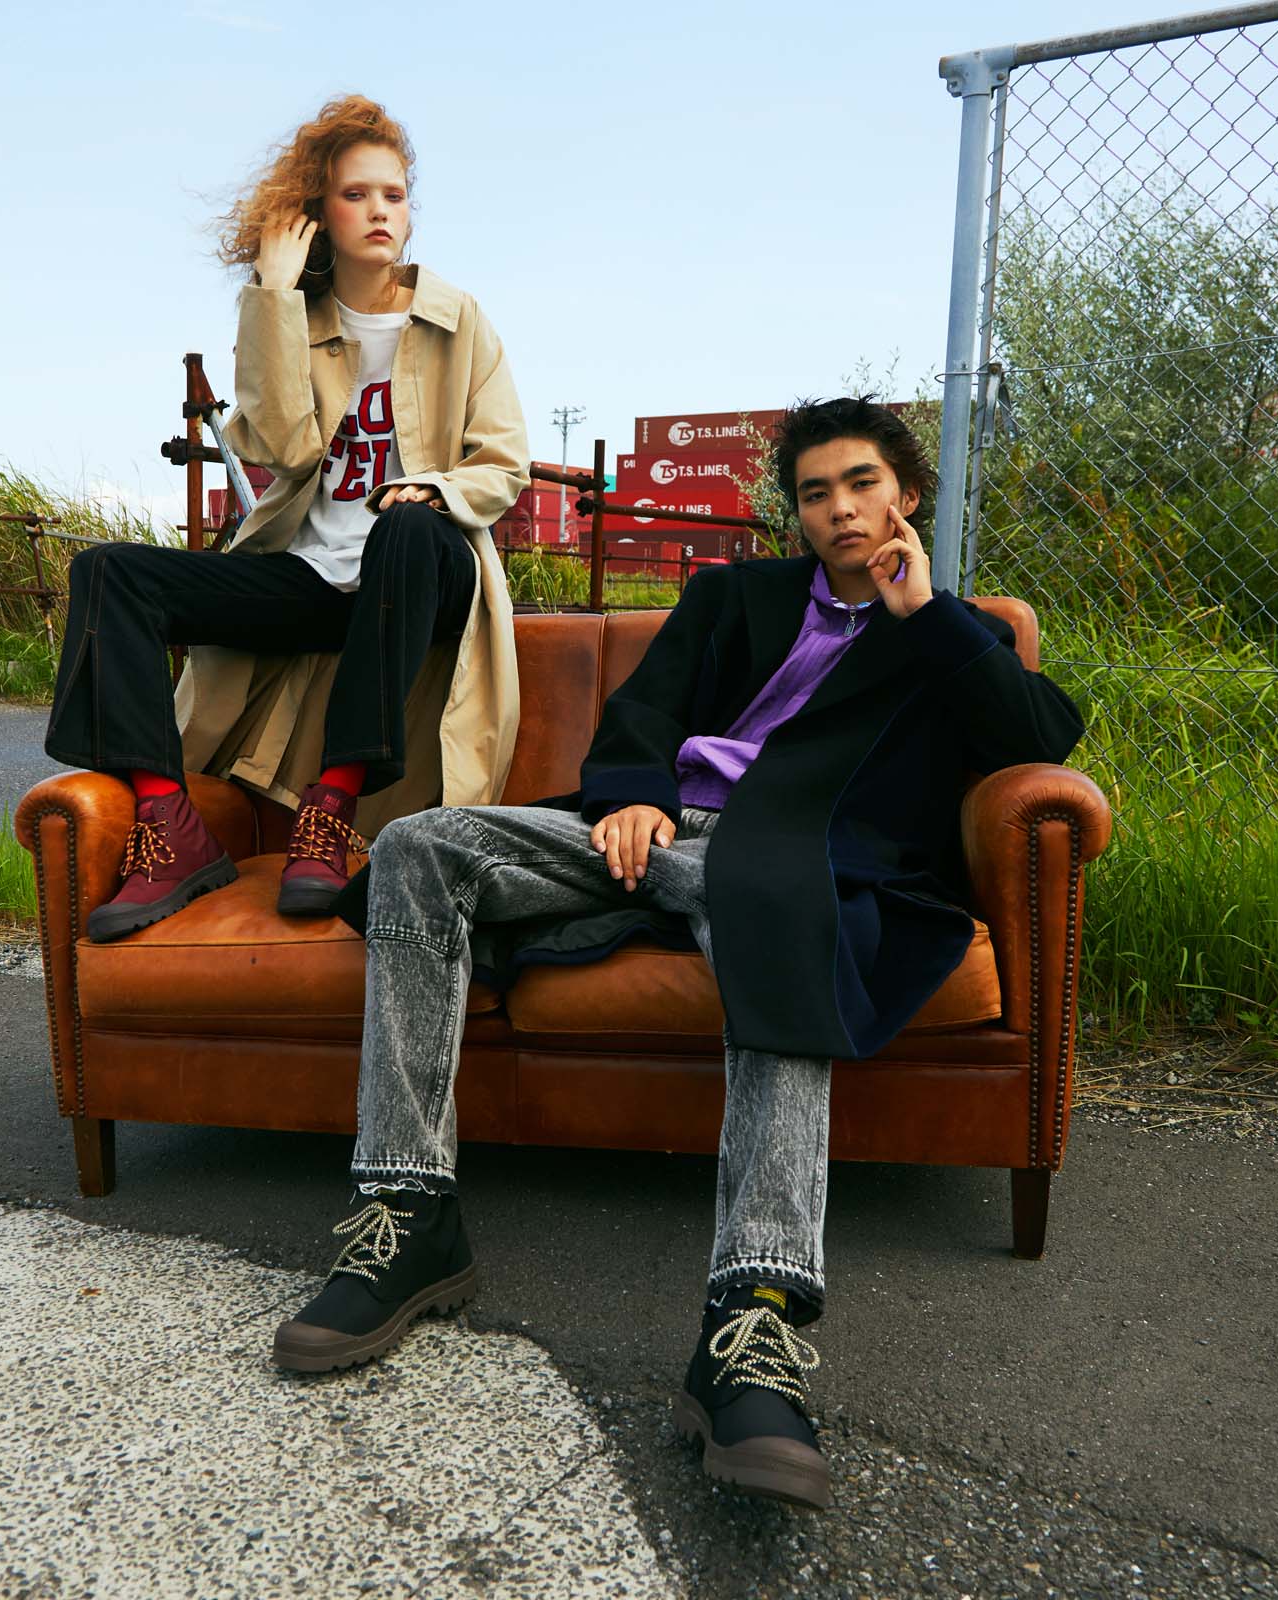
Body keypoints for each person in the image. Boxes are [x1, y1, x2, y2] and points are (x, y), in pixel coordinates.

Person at [269, 397, 1085, 1512]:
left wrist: (927, 615)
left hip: (791, 864)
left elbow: (1038, 740)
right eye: (815, 493)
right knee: (418, 848)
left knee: (779, 916)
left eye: (861, 484)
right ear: (795, 514)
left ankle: (755, 1321)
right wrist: (635, 797)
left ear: (905, 492)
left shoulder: (950, 634)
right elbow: (644, 712)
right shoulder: (734, 598)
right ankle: (409, 1215)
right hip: (654, 839)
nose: (841, 510)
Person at [44, 94, 527, 935]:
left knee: (406, 527)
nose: (380, 211)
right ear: (317, 214)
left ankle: (330, 810)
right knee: (110, 573)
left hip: (427, 571)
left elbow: (504, 461)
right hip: (315, 580)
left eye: (394, 194)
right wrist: (270, 294)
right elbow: (285, 447)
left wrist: (435, 492)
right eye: (355, 194)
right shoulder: (292, 319)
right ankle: (168, 821)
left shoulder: (458, 319)